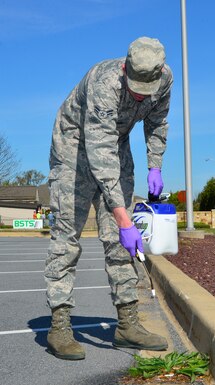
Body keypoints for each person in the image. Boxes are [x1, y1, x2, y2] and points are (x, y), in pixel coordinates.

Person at [44, 36, 173, 360]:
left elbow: (157, 122)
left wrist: (154, 166)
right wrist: (123, 217)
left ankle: (127, 325)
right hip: (73, 150)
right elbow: (99, 152)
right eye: (133, 86)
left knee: (119, 242)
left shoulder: (165, 80)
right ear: (124, 67)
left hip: (115, 147)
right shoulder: (104, 81)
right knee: (66, 239)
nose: (138, 94)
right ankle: (59, 327)